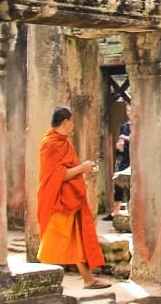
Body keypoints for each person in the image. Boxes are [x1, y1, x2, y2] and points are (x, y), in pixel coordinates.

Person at [37, 105, 109, 289]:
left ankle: (88, 279)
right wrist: (82, 168)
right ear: (65, 122)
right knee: (51, 242)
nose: (73, 125)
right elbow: (58, 175)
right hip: (57, 200)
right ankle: (38, 282)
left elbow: (67, 170)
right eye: (72, 122)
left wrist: (84, 169)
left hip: (70, 199)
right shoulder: (50, 144)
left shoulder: (64, 142)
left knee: (74, 239)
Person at [104, 101, 132, 221]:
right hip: (125, 158)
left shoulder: (140, 126)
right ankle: (115, 212)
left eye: (131, 111)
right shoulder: (124, 127)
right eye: (128, 111)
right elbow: (121, 145)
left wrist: (125, 138)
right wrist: (119, 147)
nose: (129, 113)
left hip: (137, 160)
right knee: (118, 183)